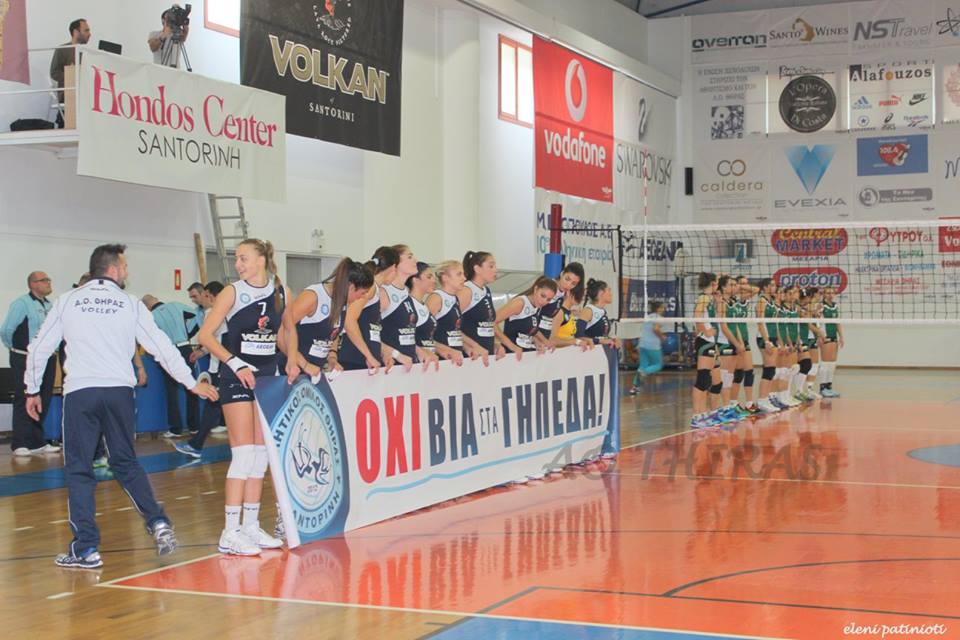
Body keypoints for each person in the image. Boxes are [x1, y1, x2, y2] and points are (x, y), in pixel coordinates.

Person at [24, 244, 218, 568]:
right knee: (125, 462)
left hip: (81, 393)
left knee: (79, 469)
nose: (127, 272)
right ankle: (158, 522)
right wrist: (190, 382)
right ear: (112, 269)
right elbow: (161, 346)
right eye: (125, 266)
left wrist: (32, 390)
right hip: (119, 393)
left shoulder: (67, 301)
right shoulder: (130, 304)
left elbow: (39, 348)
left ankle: (86, 548)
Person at [197, 239, 297, 556]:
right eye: (236, 259)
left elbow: (287, 331)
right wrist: (235, 363)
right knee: (242, 456)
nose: (238, 264)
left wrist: (293, 359)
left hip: (266, 378)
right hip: (237, 377)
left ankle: (251, 525)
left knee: (260, 455)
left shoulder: (281, 292)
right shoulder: (232, 292)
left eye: (243, 258)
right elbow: (205, 335)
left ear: (261, 260)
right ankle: (230, 531)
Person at [2, 271, 60, 456]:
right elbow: (6, 330)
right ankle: (20, 443)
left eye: (49, 279)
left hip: (47, 359)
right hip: (24, 357)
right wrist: (17, 349)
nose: (49, 282)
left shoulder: (50, 305)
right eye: (44, 280)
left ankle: (37, 442)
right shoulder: (21, 304)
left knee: (43, 398)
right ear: (33, 284)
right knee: (24, 397)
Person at [285, 258, 373, 378]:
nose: (363, 297)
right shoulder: (313, 296)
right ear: (352, 287)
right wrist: (304, 364)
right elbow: (282, 332)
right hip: (292, 370)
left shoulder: (342, 301)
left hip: (315, 372)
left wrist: (332, 357)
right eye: (363, 293)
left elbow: (333, 332)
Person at [142, 294, 199, 438]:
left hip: (169, 352)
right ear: (156, 299)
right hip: (186, 348)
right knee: (192, 388)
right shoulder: (176, 305)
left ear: (147, 307)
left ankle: (176, 429)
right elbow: (196, 316)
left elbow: (151, 339)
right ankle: (194, 426)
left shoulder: (151, 316)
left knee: (172, 391)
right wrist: (188, 333)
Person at [336, 247, 399, 373]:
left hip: (365, 362)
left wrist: (382, 353)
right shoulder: (370, 289)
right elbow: (348, 320)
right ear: (393, 267)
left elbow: (369, 330)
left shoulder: (376, 290)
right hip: (355, 361)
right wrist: (368, 355)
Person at [458, 251, 504, 364]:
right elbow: (449, 327)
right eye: (491, 266)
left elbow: (486, 324)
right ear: (477, 269)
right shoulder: (466, 290)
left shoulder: (486, 290)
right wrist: (472, 346)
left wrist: (495, 344)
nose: (496, 270)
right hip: (469, 357)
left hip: (485, 356)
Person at [497, 276, 557, 357]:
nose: (544, 301)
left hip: (525, 355)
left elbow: (528, 330)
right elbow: (491, 322)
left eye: (548, 299)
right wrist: (510, 345)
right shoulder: (520, 303)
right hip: (510, 356)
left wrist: (537, 342)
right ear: (535, 289)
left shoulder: (537, 306)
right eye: (542, 296)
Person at [690, 272, 721, 429]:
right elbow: (696, 317)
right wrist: (705, 331)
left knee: (707, 380)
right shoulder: (704, 298)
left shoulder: (709, 298)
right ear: (713, 284)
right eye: (716, 283)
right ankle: (696, 416)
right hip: (704, 341)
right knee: (702, 380)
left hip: (710, 342)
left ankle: (702, 414)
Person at [425, 261, 466, 365]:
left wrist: (470, 347)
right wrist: (442, 349)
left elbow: (455, 331)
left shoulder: (455, 298)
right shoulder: (437, 298)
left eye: (463, 274)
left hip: (455, 357)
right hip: (440, 358)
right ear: (445, 278)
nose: (464, 278)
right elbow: (422, 332)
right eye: (459, 274)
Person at [755, 278, 782, 413]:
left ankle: (766, 399)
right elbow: (760, 322)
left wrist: (779, 341)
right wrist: (766, 341)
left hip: (773, 337)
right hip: (764, 338)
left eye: (774, 285)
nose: (774, 287)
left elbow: (775, 323)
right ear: (765, 287)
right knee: (769, 369)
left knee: (772, 370)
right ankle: (762, 400)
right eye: (771, 285)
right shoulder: (762, 301)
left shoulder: (772, 301)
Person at [537, 263, 584, 338]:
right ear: (562, 274)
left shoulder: (566, 295)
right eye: (567, 279)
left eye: (573, 284)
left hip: (545, 332)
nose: (568, 285)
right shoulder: (547, 286)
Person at [630, 300, 666, 394]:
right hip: (653, 345)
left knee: (642, 366)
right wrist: (662, 337)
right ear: (658, 309)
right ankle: (645, 372)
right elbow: (656, 329)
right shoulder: (659, 318)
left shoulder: (648, 317)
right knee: (658, 365)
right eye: (662, 307)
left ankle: (634, 387)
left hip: (642, 344)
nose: (664, 309)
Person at [406, 262, 440, 359]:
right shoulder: (409, 305)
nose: (434, 280)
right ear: (415, 280)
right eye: (429, 277)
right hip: (415, 362)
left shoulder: (422, 305)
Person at [50, 19, 90, 99]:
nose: (89, 34)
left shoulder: (87, 53)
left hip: (85, 93)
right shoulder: (62, 49)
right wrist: (71, 75)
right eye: (86, 30)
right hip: (69, 94)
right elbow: (54, 73)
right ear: (76, 32)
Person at [819, 286, 843, 398]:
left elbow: (837, 322)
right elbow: (817, 322)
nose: (830, 295)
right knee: (825, 362)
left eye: (832, 293)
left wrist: (841, 336)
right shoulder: (821, 306)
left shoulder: (835, 306)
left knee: (832, 363)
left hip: (834, 336)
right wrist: (820, 336)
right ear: (824, 294)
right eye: (828, 293)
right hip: (826, 336)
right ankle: (822, 387)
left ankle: (829, 387)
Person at [577, 278, 616, 345]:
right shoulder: (588, 310)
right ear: (601, 293)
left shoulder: (602, 311)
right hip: (589, 350)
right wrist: (599, 341)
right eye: (609, 290)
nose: (611, 294)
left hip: (600, 350)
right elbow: (578, 335)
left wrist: (613, 339)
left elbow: (601, 336)